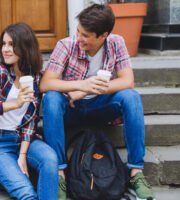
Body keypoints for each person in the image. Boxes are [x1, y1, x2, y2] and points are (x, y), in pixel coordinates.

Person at [40, 4, 155, 200]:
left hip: (100, 107)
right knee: (51, 98)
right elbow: (46, 83)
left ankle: (136, 171)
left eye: (85, 35)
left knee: (131, 96)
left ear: (103, 35)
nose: (79, 38)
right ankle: (59, 173)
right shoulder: (66, 45)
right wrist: (80, 87)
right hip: (71, 109)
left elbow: (127, 81)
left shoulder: (116, 43)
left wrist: (94, 89)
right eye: (78, 31)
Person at [0, 22, 58, 200]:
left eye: (12, 44)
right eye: (4, 44)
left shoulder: (36, 78)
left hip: (24, 140)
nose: (6, 49)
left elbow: (31, 121)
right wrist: (14, 103)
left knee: (50, 160)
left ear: (25, 47)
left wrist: (23, 154)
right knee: (27, 193)